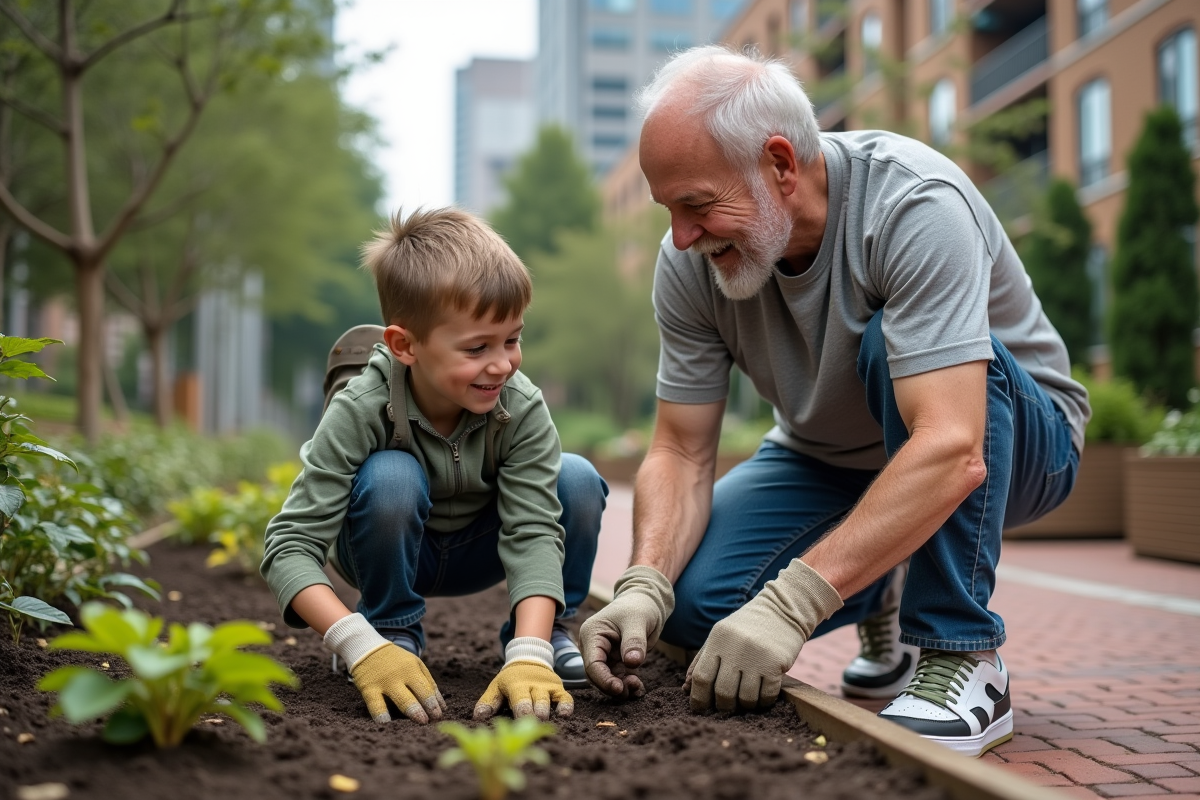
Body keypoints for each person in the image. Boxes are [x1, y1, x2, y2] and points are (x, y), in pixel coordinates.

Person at [579, 46, 1089, 758]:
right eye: (669, 209)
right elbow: (681, 446)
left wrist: (795, 603)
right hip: (827, 455)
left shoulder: (913, 204)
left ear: (781, 165)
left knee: (893, 347)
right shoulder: (690, 260)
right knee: (700, 615)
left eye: (696, 206)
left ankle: (961, 654)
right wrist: (644, 584)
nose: (681, 236)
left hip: (1016, 443)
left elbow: (952, 445)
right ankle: (879, 578)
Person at [262, 207, 607, 725]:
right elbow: (289, 545)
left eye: (512, 339)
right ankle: (389, 633)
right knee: (391, 478)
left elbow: (535, 530)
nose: (502, 364)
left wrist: (529, 650)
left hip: (482, 550)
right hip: (388, 546)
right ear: (405, 345)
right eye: (477, 348)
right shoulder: (361, 406)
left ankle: (544, 633)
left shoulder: (520, 404)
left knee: (576, 478)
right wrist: (358, 644)